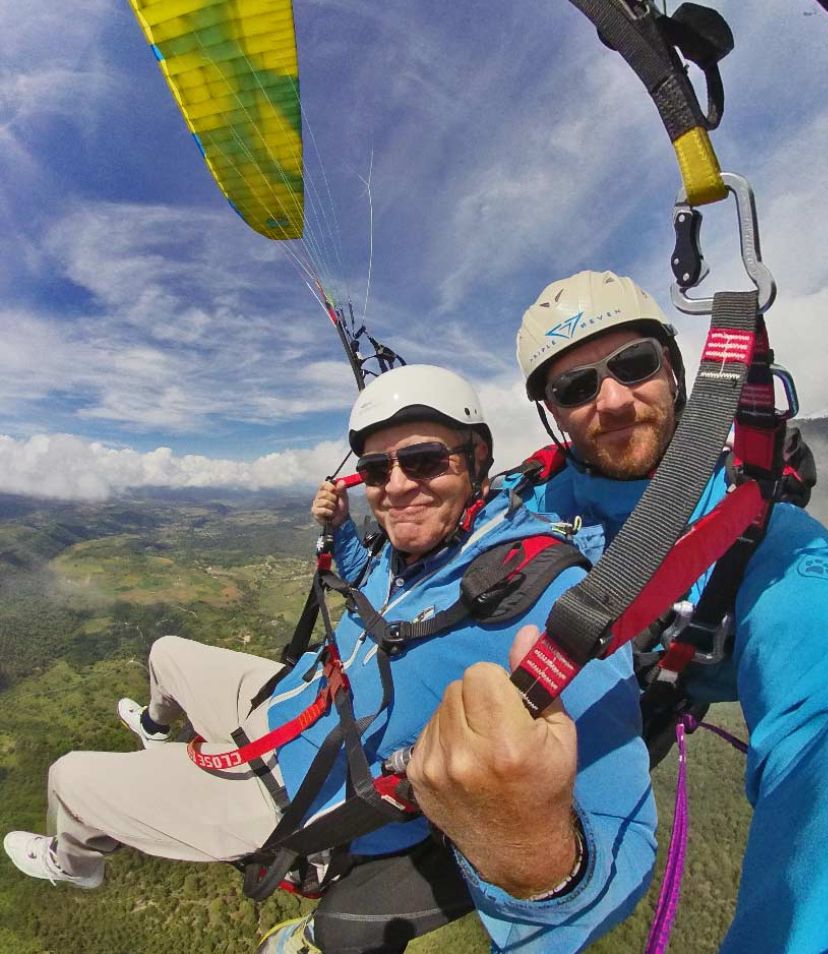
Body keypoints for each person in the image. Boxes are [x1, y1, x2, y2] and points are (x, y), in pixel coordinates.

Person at [4, 364, 655, 954]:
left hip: (304, 787)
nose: (396, 486)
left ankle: (76, 863)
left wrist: (533, 857)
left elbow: (624, 840)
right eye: (375, 471)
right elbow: (373, 595)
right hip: (298, 695)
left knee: (69, 778)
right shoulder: (422, 549)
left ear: (476, 458)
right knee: (165, 652)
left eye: (423, 461)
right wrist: (341, 532)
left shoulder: (549, 593)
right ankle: (154, 729)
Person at [498, 269, 828, 953]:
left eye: (631, 366)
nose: (610, 400)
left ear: (673, 368)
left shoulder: (749, 529)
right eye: (574, 388)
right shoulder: (535, 498)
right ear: (552, 414)